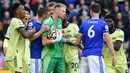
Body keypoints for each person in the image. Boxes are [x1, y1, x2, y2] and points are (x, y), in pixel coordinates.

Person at [74, 3, 116, 73]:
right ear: (99, 11)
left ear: (90, 11)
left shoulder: (84, 23)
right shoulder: (103, 24)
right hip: (96, 55)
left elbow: (77, 42)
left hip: (84, 56)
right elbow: (108, 41)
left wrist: (84, 48)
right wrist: (113, 55)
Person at [5, 3, 35, 73]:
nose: (25, 11)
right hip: (14, 55)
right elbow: (26, 35)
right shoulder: (16, 21)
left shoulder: (18, 22)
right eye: (23, 9)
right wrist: (34, 30)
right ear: (17, 11)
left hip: (19, 54)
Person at [41, 3, 66, 73]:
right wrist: (54, 40)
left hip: (59, 55)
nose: (65, 13)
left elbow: (59, 37)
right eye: (63, 11)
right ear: (57, 11)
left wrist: (67, 40)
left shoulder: (60, 21)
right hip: (50, 55)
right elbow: (44, 42)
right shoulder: (47, 22)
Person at [26, 7, 48, 73]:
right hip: (34, 55)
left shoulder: (43, 25)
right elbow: (30, 38)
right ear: (44, 15)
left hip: (40, 55)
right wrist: (42, 31)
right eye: (47, 15)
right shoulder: (32, 24)